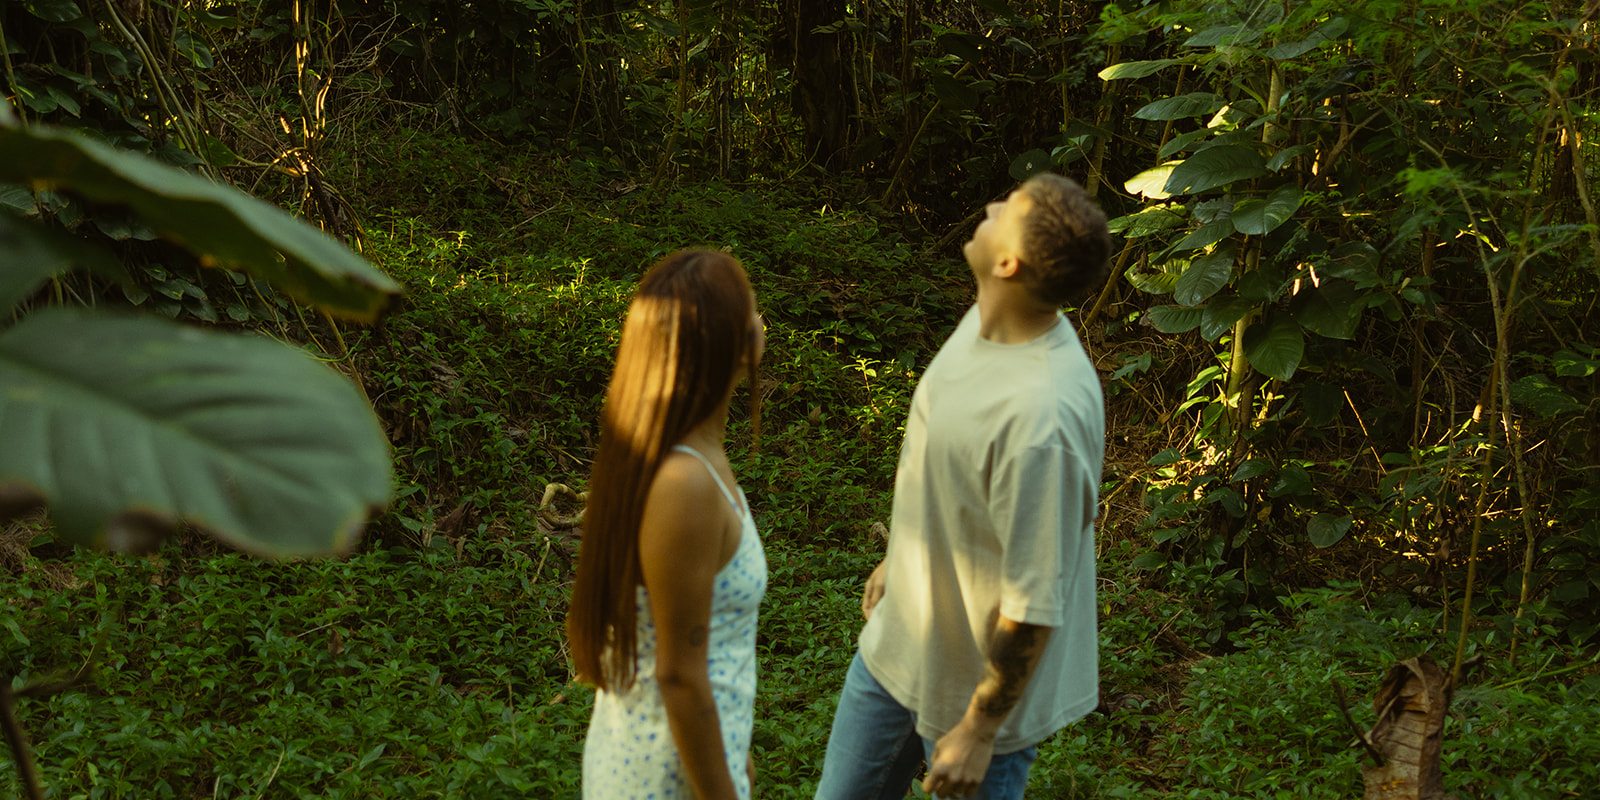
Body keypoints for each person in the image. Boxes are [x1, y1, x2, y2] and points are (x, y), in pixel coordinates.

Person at [814, 173, 1113, 800]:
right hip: (898, 648)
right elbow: (940, 461)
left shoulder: (1043, 418)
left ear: (1008, 262)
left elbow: (1033, 603)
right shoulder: (988, 319)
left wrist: (979, 730)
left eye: (1008, 210)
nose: (991, 205)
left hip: (975, 700)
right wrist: (900, 555)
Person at [568, 249, 768, 800]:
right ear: (729, 342)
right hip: (664, 777)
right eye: (752, 309)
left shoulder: (688, 461)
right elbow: (678, 674)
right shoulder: (685, 485)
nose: (762, 322)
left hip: (679, 759)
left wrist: (734, 751)